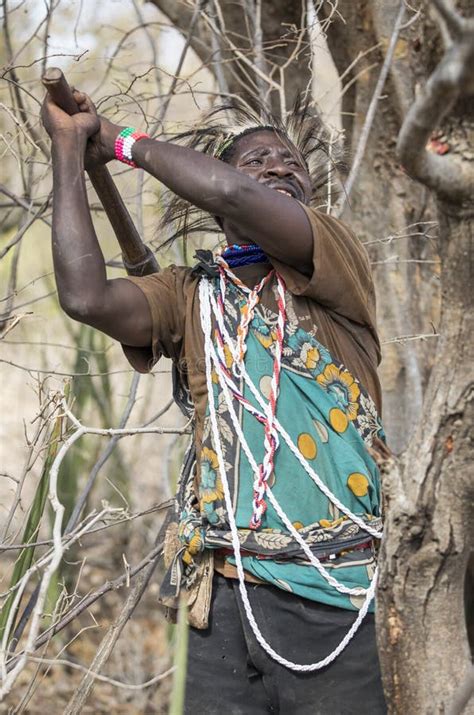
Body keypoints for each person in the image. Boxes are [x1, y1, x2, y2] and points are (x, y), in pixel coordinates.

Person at [42, 89, 388, 714]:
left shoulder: (333, 260)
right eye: (255, 161)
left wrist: (121, 141)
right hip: (221, 597)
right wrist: (69, 151)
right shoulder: (190, 297)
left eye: (291, 162)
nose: (280, 168)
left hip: (334, 589)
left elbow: (236, 196)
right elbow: (86, 298)